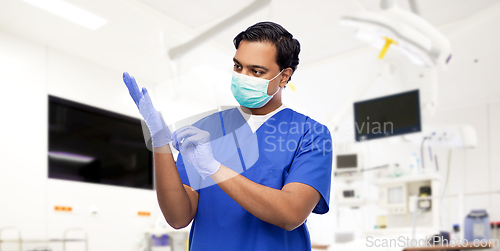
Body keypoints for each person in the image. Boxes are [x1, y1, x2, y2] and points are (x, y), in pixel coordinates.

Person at [123, 21, 332, 251]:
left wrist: (213, 168)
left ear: (284, 77)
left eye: (256, 71)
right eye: (237, 67)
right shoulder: (204, 131)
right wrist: (161, 142)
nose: (243, 76)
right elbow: (177, 217)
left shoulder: (310, 133)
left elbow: (291, 213)